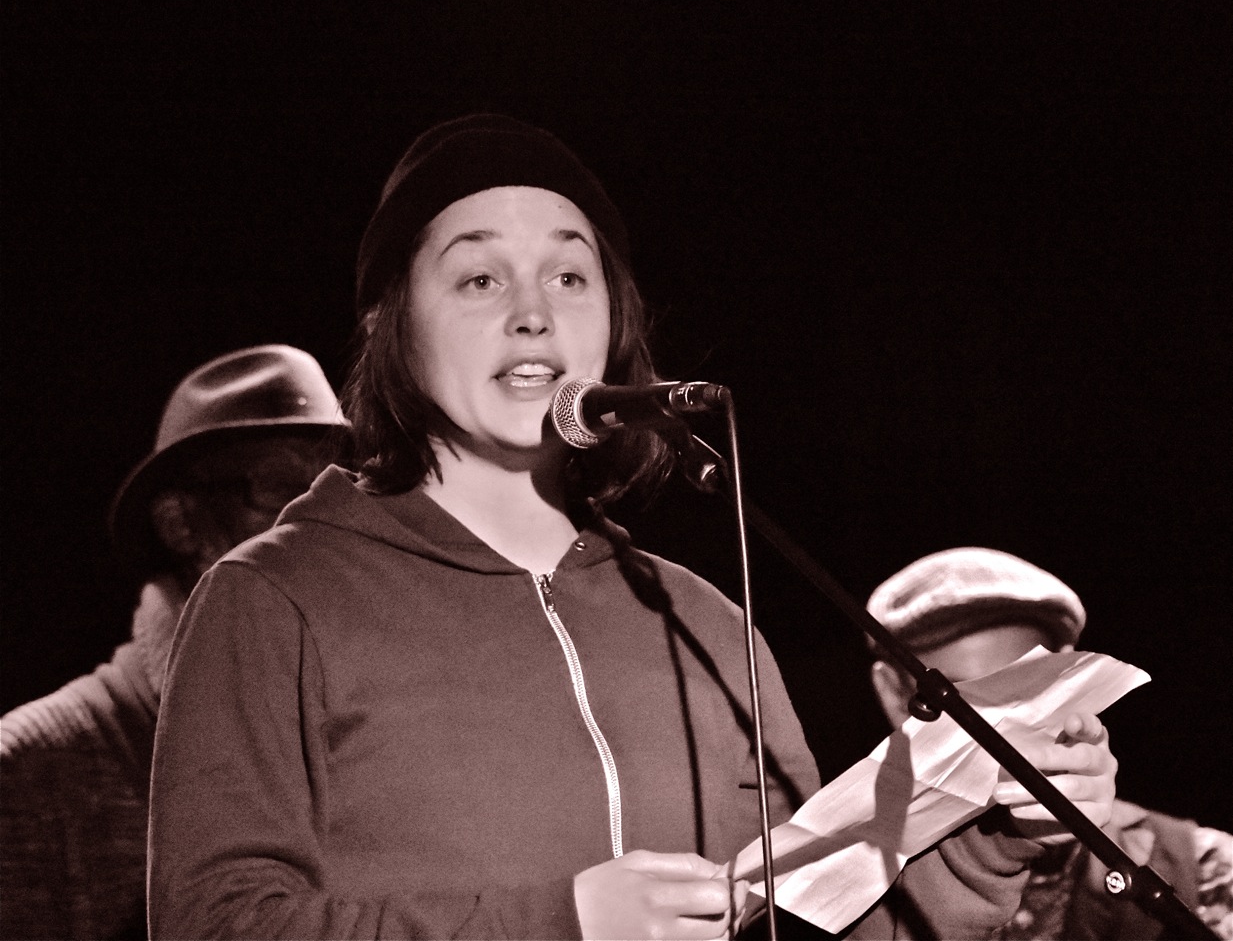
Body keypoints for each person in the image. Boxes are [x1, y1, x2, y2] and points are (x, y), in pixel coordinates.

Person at [146, 114, 1120, 941]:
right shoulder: (273, 599)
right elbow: (214, 922)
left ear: (615, 323)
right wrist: (560, 923)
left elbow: (811, 919)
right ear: (392, 323)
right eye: (479, 278)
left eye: (570, 277)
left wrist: (1002, 834)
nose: (533, 314)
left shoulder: (700, 620)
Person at [0, 344, 347, 941]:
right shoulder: (28, 774)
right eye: (280, 489)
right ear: (180, 524)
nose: (327, 519)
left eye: (342, 489)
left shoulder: (367, 738)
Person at [866, 546, 1232, 940]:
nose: (995, 729)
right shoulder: (855, 880)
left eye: (1024, 687)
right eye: (956, 699)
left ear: (1070, 674)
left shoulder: (1199, 866)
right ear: (892, 694)